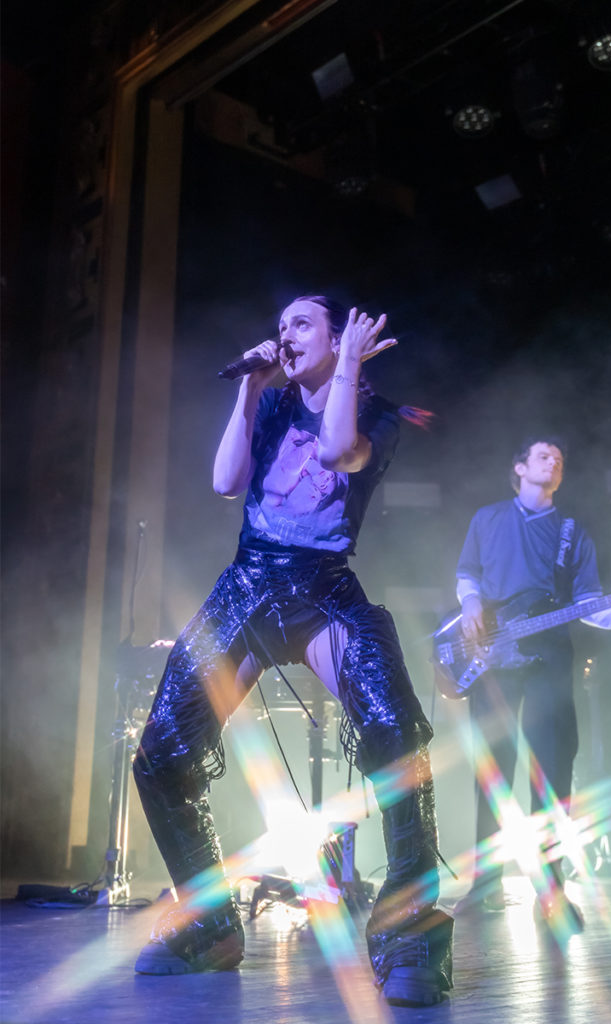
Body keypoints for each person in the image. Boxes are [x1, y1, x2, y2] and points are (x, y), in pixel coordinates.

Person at [132, 296, 453, 1007]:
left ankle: (411, 934)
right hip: (248, 584)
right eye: (280, 325)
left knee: (398, 737)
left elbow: (339, 452)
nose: (284, 333)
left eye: (302, 323)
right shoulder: (272, 405)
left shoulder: (377, 415)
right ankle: (211, 925)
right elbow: (223, 482)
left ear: (341, 340)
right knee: (160, 754)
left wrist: (343, 371)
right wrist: (250, 388)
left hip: (323, 590)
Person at [454, 438, 611, 926]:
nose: (555, 460)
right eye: (543, 455)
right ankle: (485, 885)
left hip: (550, 661)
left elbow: (589, 603)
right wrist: (471, 604)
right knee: (492, 774)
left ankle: (553, 889)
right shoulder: (487, 518)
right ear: (518, 467)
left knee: (553, 774)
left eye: (560, 457)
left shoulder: (572, 532)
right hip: (493, 658)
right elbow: (467, 573)